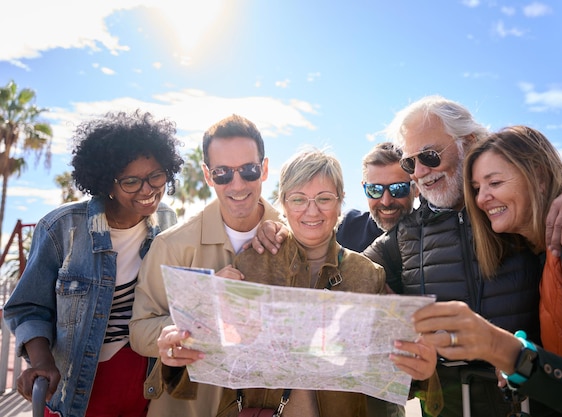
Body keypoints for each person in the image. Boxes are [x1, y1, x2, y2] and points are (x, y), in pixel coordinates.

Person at [154, 147, 434, 417]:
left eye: (324, 199)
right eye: (299, 199)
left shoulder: (368, 274)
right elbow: (206, 361)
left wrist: (420, 372)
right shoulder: (250, 264)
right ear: (284, 204)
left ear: (340, 204)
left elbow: (387, 375)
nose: (312, 212)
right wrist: (179, 348)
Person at [410, 126, 562, 417]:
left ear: (538, 177)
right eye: (476, 189)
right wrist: (524, 359)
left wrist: (502, 348)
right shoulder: (540, 252)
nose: (482, 198)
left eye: (495, 183)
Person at [2, 110, 184, 417]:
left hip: (146, 381)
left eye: (156, 175)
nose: (148, 189)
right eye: (130, 181)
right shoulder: (61, 228)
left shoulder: (167, 222)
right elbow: (28, 308)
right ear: (106, 184)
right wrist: (42, 363)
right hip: (79, 385)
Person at [129, 114, 282, 417]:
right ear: (208, 175)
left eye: (248, 170)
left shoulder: (293, 240)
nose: (237, 184)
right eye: (223, 173)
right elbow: (139, 331)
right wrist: (201, 311)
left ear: (264, 169)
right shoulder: (171, 246)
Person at [336, 142, 417, 255]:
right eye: (374, 190)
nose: (386, 201)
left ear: (417, 188)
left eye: (398, 189)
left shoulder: (434, 234)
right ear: (364, 188)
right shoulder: (345, 227)